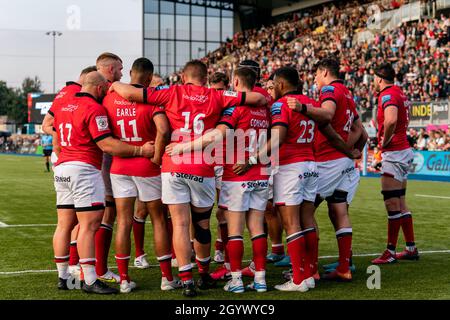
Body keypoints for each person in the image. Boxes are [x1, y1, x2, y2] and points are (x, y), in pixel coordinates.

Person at [110, 59, 267, 297]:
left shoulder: (171, 92)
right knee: (202, 224)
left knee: (180, 224)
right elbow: (258, 99)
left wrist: (113, 85)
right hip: (202, 167)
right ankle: (203, 273)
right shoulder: (217, 96)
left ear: (184, 77)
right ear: (205, 78)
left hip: (173, 165)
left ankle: (186, 279)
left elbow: (129, 92)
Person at [167, 66, 270, 293]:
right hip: (261, 173)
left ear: (235, 83)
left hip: (236, 174)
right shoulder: (265, 108)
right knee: (257, 228)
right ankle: (261, 279)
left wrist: (184, 146)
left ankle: (235, 280)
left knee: (234, 230)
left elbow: (216, 134)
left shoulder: (235, 110)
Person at [52, 71, 154, 294]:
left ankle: (63, 276)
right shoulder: (94, 108)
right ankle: (89, 280)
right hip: (83, 169)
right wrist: (140, 149)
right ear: (99, 89)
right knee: (89, 225)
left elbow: (53, 133)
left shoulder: (63, 105)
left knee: (64, 224)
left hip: (62, 168)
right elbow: (107, 144)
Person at [103, 57, 178, 293]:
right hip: (147, 166)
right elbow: (164, 130)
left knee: (123, 221)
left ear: (131, 74)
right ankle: (166, 278)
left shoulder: (110, 98)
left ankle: (124, 279)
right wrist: (156, 154)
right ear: (148, 77)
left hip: (120, 166)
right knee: (158, 219)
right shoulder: (152, 98)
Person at [288, 57, 365, 281]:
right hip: (343, 163)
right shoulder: (348, 94)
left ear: (323, 72)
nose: (314, 79)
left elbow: (328, 114)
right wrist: (354, 152)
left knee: (304, 212)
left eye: (315, 75)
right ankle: (343, 267)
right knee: (339, 211)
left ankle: (309, 269)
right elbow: (362, 131)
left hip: (328, 161)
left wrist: (304, 108)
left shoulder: (330, 90)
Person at [371, 63, 418, 264]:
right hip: (404, 150)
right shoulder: (400, 93)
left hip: (395, 152)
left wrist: (384, 142)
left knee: (392, 203)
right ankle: (410, 248)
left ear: (380, 79)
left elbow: (390, 120)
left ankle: (390, 252)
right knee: (400, 202)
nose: (373, 82)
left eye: (374, 78)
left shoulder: (387, 94)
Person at [95, 52, 124, 284]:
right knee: (108, 214)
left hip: (84, 162)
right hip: (103, 160)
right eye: (120, 69)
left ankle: (76, 266)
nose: (122, 74)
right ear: (111, 69)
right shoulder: (102, 92)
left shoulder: (86, 89)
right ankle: (100, 268)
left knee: (81, 217)